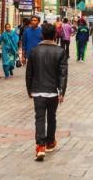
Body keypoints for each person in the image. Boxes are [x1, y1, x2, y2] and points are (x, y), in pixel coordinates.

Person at [25, 22, 68, 162]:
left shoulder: (34, 51)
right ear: (55, 35)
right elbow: (63, 74)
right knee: (51, 118)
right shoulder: (60, 51)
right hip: (53, 91)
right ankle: (50, 142)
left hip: (38, 91)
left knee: (39, 118)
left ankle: (40, 146)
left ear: (42, 35)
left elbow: (29, 73)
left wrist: (29, 89)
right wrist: (62, 91)